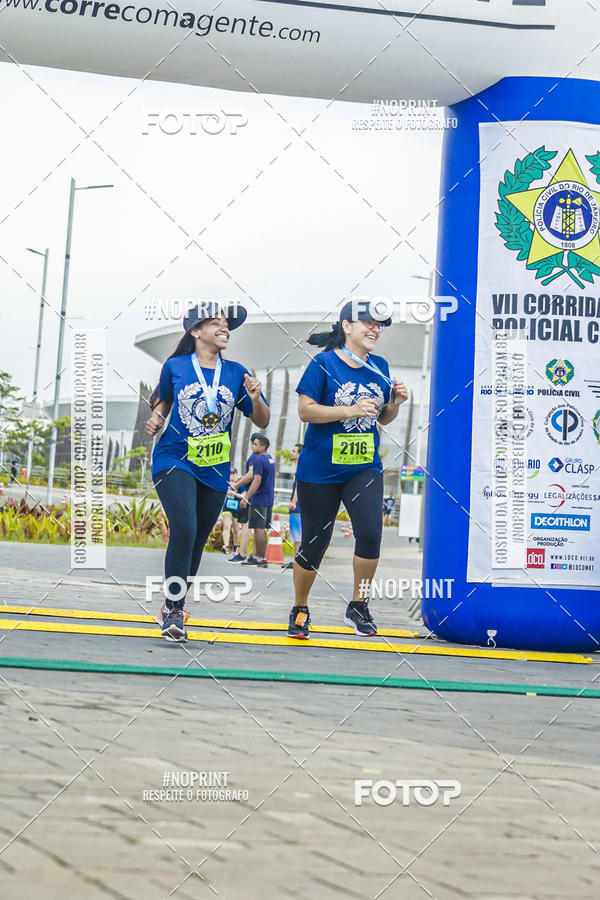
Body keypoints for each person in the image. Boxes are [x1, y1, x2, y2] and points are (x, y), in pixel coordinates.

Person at [145, 302, 270, 641]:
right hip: (175, 459)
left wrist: (257, 398)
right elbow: (166, 399)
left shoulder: (236, 372)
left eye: (226, 324)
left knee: (199, 537)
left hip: (214, 468)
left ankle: (175, 604)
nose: (224, 327)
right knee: (184, 527)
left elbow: (262, 420)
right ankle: (173, 608)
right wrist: (157, 417)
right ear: (195, 331)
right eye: (215, 323)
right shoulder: (174, 367)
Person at [287, 300, 408, 639]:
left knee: (370, 534)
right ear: (346, 326)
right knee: (314, 543)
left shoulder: (380, 366)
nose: (375, 329)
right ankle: (300, 607)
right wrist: (349, 409)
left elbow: (381, 417)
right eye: (367, 322)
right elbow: (306, 411)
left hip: (363, 467)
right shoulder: (322, 364)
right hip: (320, 470)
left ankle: (359, 605)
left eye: (379, 325)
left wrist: (394, 404)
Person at [240, 434, 275, 568]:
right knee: (262, 528)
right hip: (268, 498)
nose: (252, 446)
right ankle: (261, 557)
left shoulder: (259, 460)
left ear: (263, 446)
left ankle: (259, 558)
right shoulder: (270, 459)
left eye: (255, 444)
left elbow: (256, 480)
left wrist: (246, 497)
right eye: (252, 443)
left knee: (259, 528)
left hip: (259, 498)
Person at [282, 442, 303, 570]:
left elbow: (299, 486)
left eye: (294, 451)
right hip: (300, 507)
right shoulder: (299, 468)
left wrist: (294, 502)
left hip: (298, 507)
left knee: (298, 537)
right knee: (298, 537)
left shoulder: (301, 468)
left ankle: (298, 562)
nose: (291, 452)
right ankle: (297, 561)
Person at [221, 467, 241, 554]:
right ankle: (225, 546)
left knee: (236, 529)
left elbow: (244, 493)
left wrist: (242, 495)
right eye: (230, 473)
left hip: (237, 509)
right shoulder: (225, 483)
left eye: (233, 473)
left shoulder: (240, 483)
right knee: (227, 525)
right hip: (227, 508)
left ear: (236, 474)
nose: (232, 475)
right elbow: (227, 491)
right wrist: (236, 494)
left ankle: (235, 547)